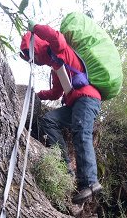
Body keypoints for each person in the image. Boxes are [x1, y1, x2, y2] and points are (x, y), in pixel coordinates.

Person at [20, 24, 102, 204]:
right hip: (74, 104)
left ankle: (89, 182)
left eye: (32, 55)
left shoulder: (59, 50)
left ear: (37, 47)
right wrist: (36, 94)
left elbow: (55, 36)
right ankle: (65, 167)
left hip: (88, 99)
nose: (35, 60)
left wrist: (34, 28)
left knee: (81, 133)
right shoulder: (55, 66)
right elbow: (56, 93)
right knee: (48, 120)